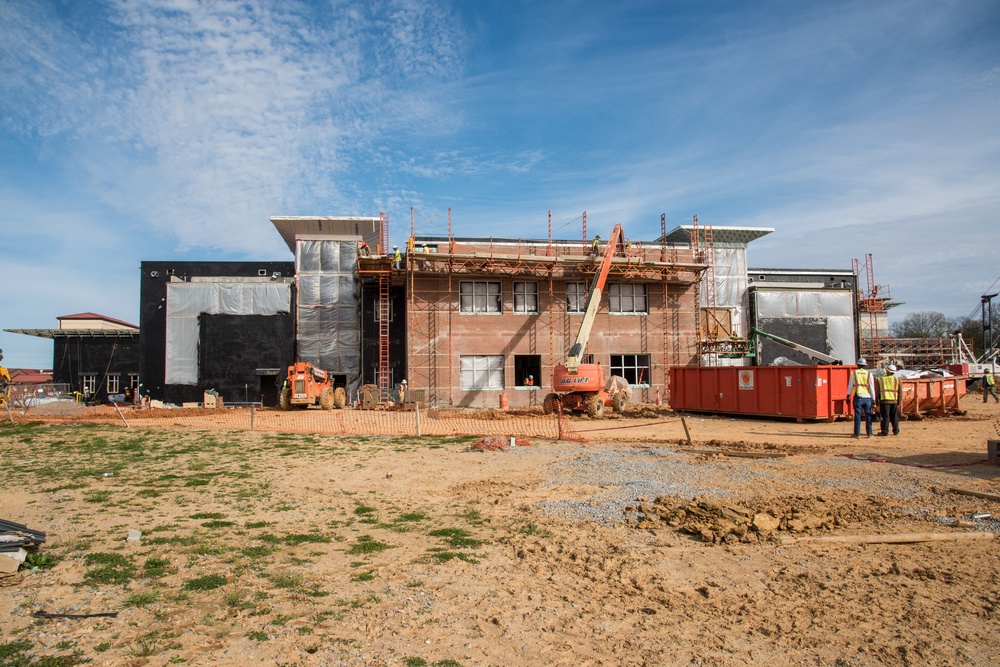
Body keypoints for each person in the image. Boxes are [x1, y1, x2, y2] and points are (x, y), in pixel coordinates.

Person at [846, 357, 876, 438]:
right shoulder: (869, 374)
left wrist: (848, 396)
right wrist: (873, 399)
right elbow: (872, 388)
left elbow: (850, 386)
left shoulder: (854, 373)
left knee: (858, 415)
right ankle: (869, 434)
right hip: (867, 397)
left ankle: (857, 434)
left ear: (857, 365)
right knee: (868, 415)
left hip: (858, 396)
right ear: (865, 365)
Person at [876, 364, 900, 436]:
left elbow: (877, 391)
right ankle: (896, 430)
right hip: (894, 401)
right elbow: (900, 392)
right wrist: (899, 402)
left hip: (884, 401)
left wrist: (876, 401)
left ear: (888, 371)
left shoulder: (881, 380)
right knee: (894, 416)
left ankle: (885, 431)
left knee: (885, 416)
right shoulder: (897, 380)